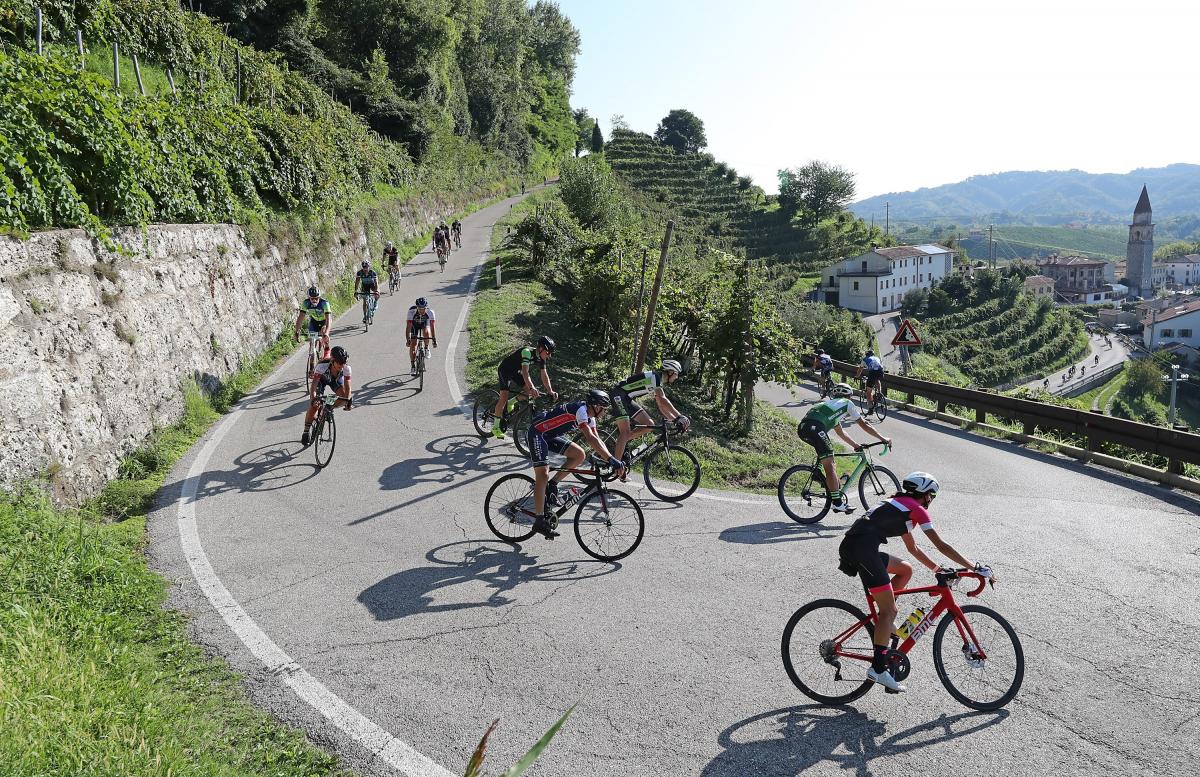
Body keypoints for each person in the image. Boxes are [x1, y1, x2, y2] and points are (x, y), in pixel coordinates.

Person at [837, 472, 994, 693]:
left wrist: (938, 569)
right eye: (932, 495)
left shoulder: (900, 504)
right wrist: (973, 567)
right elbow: (941, 545)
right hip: (861, 550)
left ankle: (884, 614)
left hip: (860, 547)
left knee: (905, 569)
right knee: (889, 610)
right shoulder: (915, 509)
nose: (932, 500)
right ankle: (879, 668)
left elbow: (913, 550)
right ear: (927, 495)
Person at [526, 390, 625, 539]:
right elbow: (590, 438)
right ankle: (539, 520)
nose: (605, 412)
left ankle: (553, 484)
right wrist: (612, 459)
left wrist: (609, 459)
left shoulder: (591, 418)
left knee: (579, 455)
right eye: (604, 409)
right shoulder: (581, 411)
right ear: (596, 407)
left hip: (550, 435)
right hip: (537, 433)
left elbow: (598, 441)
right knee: (542, 474)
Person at [796, 383, 891, 514]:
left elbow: (841, 433)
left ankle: (818, 474)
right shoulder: (846, 403)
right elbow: (864, 424)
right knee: (830, 463)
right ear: (849, 396)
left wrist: (855, 446)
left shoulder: (831, 407)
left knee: (825, 453)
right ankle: (837, 503)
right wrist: (882, 438)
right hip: (815, 428)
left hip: (803, 429)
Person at [610, 359, 689, 463]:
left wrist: (674, 420)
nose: (677, 377)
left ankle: (621, 444)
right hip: (618, 395)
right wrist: (680, 416)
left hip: (627, 398)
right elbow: (663, 399)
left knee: (649, 424)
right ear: (670, 372)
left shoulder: (658, 380)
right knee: (625, 432)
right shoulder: (655, 377)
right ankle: (616, 467)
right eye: (676, 374)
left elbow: (661, 405)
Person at [491, 337, 558, 439]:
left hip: (516, 372)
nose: (549, 355)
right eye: (548, 352)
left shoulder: (541, 357)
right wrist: (532, 387)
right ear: (540, 348)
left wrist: (550, 390)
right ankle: (495, 427)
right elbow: (525, 373)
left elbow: (544, 374)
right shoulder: (527, 352)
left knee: (529, 392)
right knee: (503, 398)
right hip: (505, 370)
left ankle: (511, 402)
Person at [301, 346, 352, 445]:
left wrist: (348, 400)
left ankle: (328, 406)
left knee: (344, 398)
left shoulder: (346, 368)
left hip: (335, 381)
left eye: (344, 363)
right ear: (333, 360)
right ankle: (306, 431)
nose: (342, 365)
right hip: (321, 380)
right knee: (315, 405)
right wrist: (313, 398)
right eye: (340, 363)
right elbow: (314, 386)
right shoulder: (322, 366)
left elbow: (348, 388)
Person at [294, 286, 331, 357]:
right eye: (312, 298)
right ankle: (312, 357)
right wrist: (297, 331)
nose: (314, 300)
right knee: (312, 339)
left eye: (316, 298)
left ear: (319, 297)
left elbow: (329, 319)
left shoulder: (324, 303)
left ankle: (326, 350)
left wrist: (327, 332)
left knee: (324, 333)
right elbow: (301, 317)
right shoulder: (306, 303)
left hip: (324, 321)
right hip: (314, 322)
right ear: (309, 298)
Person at [406, 297, 437, 375]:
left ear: (426, 307)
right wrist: (408, 339)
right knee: (413, 344)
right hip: (414, 326)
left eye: (424, 308)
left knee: (426, 332)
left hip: (424, 324)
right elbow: (408, 327)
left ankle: (426, 348)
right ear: (417, 307)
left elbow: (432, 327)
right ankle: (413, 366)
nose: (422, 310)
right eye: (420, 308)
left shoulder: (430, 312)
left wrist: (434, 340)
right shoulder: (411, 311)